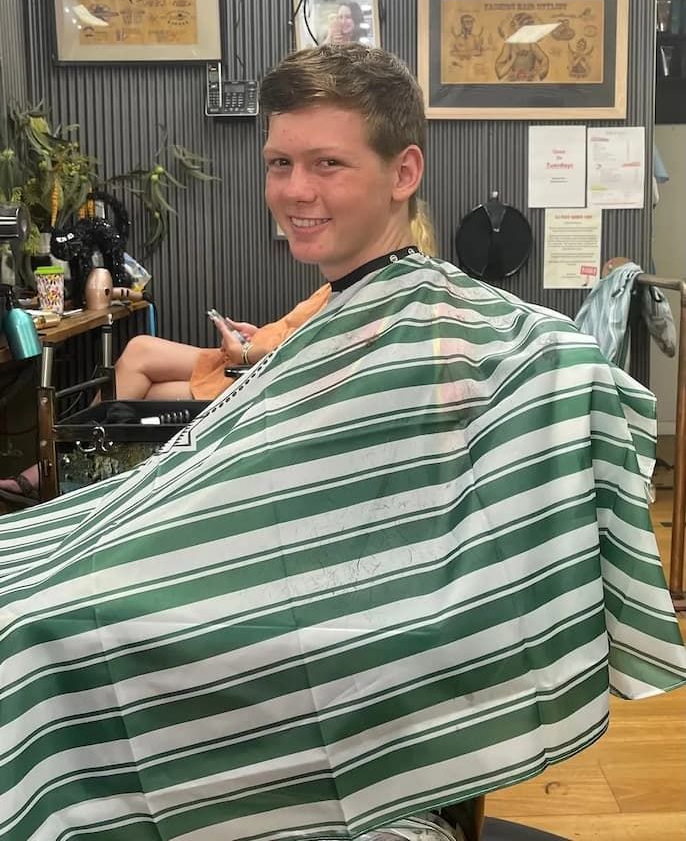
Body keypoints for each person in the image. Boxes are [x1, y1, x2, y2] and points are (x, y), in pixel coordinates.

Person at [0, 44, 684, 841]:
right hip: (258, 571)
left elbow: (563, 368)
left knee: (36, 635)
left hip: (337, 622)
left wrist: (559, 364)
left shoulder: (440, 324)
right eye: (280, 162)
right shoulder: (338, 309)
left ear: (404, 172)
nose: (295, 190)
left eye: (328, 163)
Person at [0, 205, 436, 508]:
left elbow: (305, 351)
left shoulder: (365, 292)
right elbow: (295, 332)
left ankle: (61, 463)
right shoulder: (352, 284)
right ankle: (66, 464)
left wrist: (245, 350)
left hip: (256, 375)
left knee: (141, 364)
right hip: (252, 361)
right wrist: (256, 334)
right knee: (144, 368)